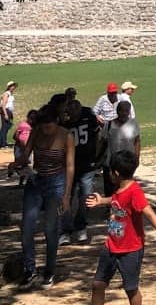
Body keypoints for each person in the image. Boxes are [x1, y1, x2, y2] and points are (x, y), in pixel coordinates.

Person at [79, 149, 156, 305]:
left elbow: (149, 213)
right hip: (111, 245)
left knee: (131, 288)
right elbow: (116, 201)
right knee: (97, 284)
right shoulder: (120, 189)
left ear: (115, 173)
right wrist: (101, 201)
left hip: (131, 249)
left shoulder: (134, 191)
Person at [13, 104, 75, 287]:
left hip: (57, 182)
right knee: (27, 227)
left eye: (49, 126)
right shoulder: (37, 132)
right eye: (42, 126)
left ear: (56, 122)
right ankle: (29, 269)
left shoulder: (66, 136)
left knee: (50, 229)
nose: (46, 130)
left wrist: (67, 195)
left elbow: (70, 166)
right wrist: (16, 163)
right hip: (37, 180)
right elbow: (26, 154)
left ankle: (49, 271)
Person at [59, 99, 101, 244]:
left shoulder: (88, 117)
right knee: (67, 197)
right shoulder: (63, 122)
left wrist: (96, 156)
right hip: (68, 166)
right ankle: (65, 229)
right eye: (71, 109)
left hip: (86, 165)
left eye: (77, 108)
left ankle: (81, 226)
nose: (74, 111)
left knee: (86, 196)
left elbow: (97, 136)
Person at [99, 101, 140, 197]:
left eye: (127, 111)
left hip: (127, 162)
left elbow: (137, 141)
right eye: (122, 110)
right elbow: (102, 141)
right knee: (110, 188)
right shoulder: (109, 125)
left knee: (125, 187)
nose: (124, 113)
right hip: (111, 162)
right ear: (117, 111)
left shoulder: (133, 124)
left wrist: (137, 157)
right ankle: (110, 208)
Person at [10, 109, 37, 186]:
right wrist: (20, 142)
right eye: (31, 119)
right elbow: (15, 136)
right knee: (20, 164)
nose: (32, 121)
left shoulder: (33, 128)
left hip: (27, 148)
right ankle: (13, 170)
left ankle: (22, 181)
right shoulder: (23, 125)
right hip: (19, 148)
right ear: (28, 118)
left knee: (25, 164)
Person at [1, 80, 17, 148]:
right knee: (5, 127)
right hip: (6, 111)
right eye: (12, 86)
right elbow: (3, 105)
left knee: (7, 127)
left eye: (14, 86)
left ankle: (3, 142)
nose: (13, 87)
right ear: (9, 87)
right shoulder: (7, 93)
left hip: (9, 111)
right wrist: (5, 114)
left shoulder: (10, 94)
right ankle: (3, 143)